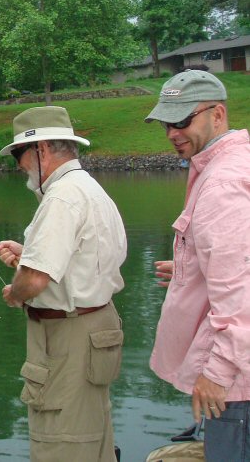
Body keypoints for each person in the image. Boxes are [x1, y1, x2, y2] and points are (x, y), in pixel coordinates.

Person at [0, 106, 127, 462]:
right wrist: (28, 254)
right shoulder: (89, 188)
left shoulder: (61, 197)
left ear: (41, 149)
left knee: (62, 444)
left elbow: (35, 279)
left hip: (68, 342)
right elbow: (82, 262)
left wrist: (15, 294)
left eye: (18, 155)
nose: (18, 165)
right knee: (93, 441)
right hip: (96, 330)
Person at [144, 69, 250, 462]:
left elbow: (242, 296)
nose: (173, 133)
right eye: (167, 123)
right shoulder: (234, 165)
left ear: (217, 114)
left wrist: (216, 373)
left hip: (237, 385)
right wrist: (193, 270)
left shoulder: (222, 185)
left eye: (183, 120)